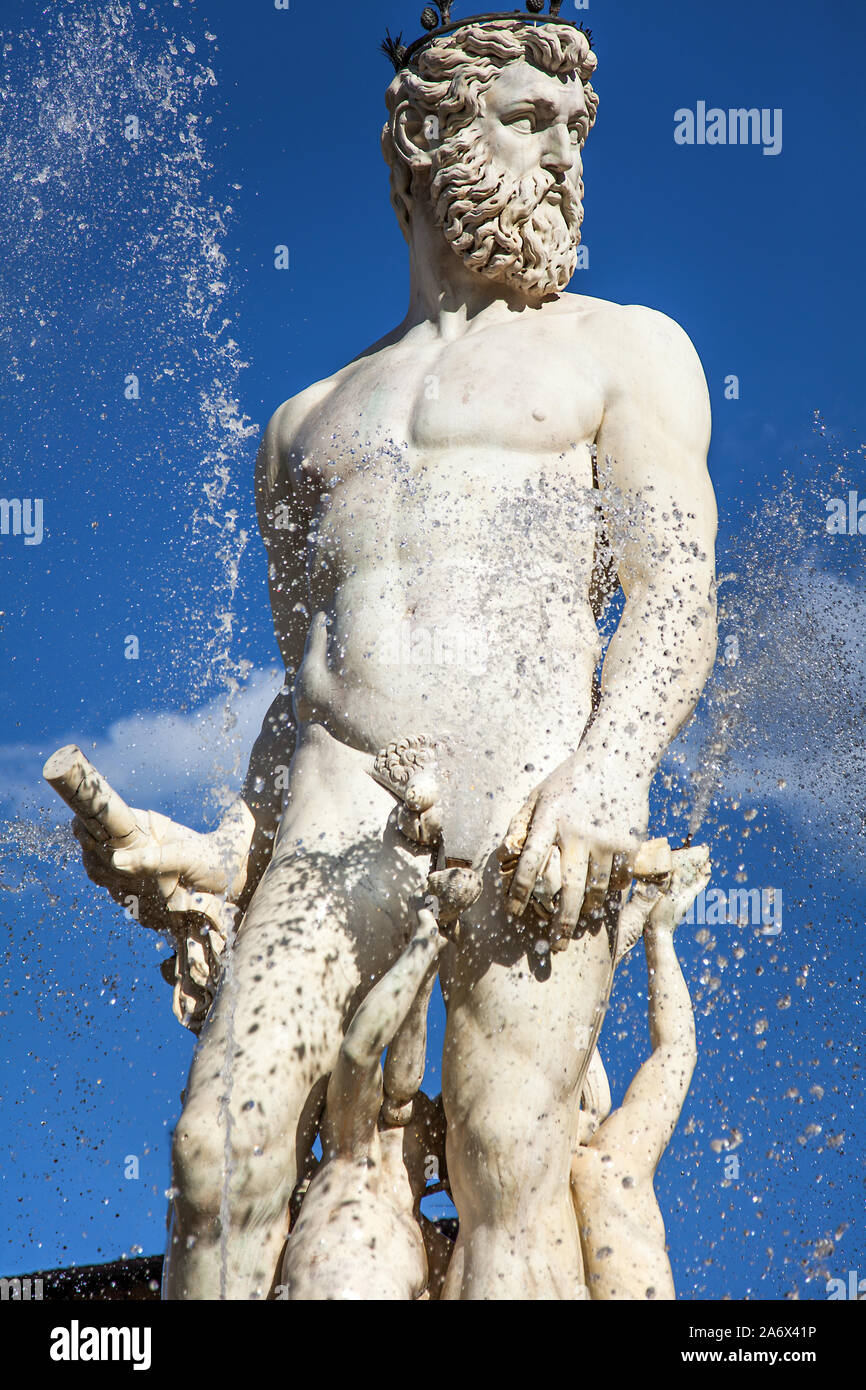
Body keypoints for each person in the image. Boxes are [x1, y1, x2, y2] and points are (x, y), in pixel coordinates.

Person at [72, 13, 716, 1298]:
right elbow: (308, 679)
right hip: (331, 818)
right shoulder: (301, 424)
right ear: (428, 134)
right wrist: (223, 854)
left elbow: (674, 596)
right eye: (530, 122)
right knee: (219, 1148)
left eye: (573, 131)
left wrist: (605, 778)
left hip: (532, 795)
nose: (563, 160)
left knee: (502, 1171)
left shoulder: (623, 348)